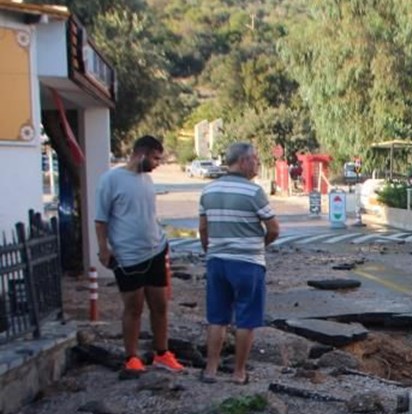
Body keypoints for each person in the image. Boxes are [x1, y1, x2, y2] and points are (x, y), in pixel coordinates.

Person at [95, 135, 185, 374]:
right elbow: (101, 219)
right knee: (133, 307)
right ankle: (131, 357)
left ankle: (162, 353)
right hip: (127, 256)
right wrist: (103, 249)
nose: (158, 164)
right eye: (156, 158)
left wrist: (163, 244)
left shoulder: (147, 180)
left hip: (155, 251)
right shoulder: (111, 180)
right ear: (142, 153)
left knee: (160, 305)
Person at [198, 142, 281, 384]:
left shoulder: (208, 190)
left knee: (217, 317)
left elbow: (203, 228)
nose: (257, 163)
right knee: (246, 319)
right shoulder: (253, 192)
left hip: (217, 262)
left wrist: (211, 250)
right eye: (255, 159)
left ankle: (211, 369)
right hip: (247, 263)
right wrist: (259, 245)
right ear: (243, 161)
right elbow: (274, 229)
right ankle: (238, 372)